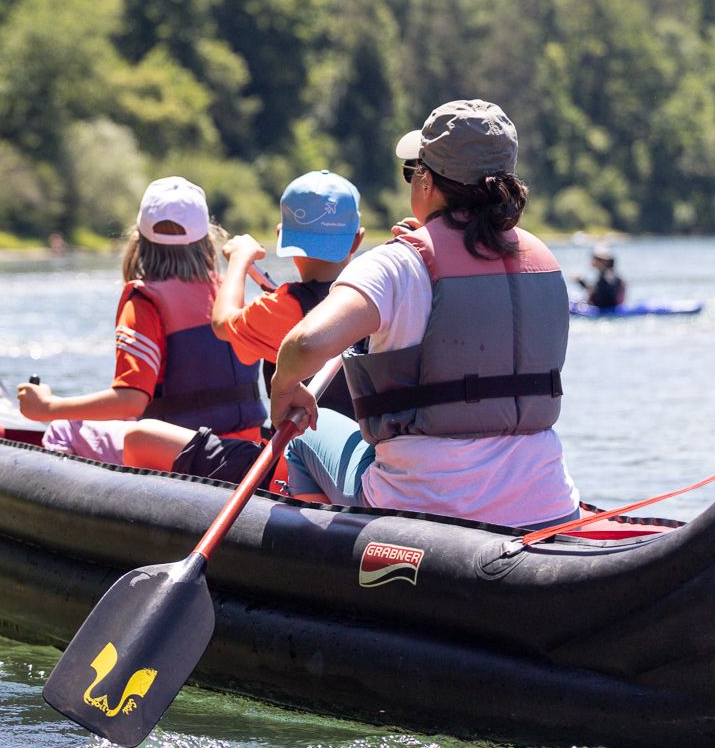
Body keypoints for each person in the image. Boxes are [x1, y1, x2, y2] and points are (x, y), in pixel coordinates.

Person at [268, 100, 580, 530]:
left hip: (422, 509)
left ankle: (325, 566)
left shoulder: (396, 264)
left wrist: (285, 384)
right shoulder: (545, 260)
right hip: (550, 506)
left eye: (412, 170)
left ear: (427, 181)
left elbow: (306, 344)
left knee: (304, 439)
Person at [121, 169, 366, 481]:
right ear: (357, 239)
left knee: (141, 437)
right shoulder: (372, 300)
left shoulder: (284, 306)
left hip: (299, 468)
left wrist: (239, 261)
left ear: (281, 236)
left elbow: (223, 324)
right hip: (359, 459)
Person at [15, 177, 264, 466]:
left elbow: (130, 400)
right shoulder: (228, 293)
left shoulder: (145, 302)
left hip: (177, 452)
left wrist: (48, 407)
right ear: (207, 240)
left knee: (63, 427)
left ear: (140, 240)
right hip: (243, 451)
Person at [576, 245, 626, 311]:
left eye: (594, 258)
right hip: (608, 307)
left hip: (605, 308)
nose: (592, 261)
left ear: (603, 261)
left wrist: (581, 282)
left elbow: (599, 294)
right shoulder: (608, 274)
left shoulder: (608, 276)